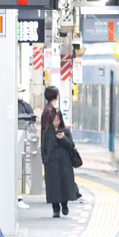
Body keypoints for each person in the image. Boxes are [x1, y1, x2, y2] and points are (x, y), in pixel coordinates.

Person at [40, 85, 77, 217]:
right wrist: (45, 159)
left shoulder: (65, 132)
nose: (55, 121)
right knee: (53, 187)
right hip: (51, 162)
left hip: (64, 162)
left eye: (58, 119)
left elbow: (71, 145)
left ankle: (64, 205)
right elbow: (44, 147)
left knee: (65, 184)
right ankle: (55, 209)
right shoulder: (47, 133)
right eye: (54, 119)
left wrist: (64, 139)